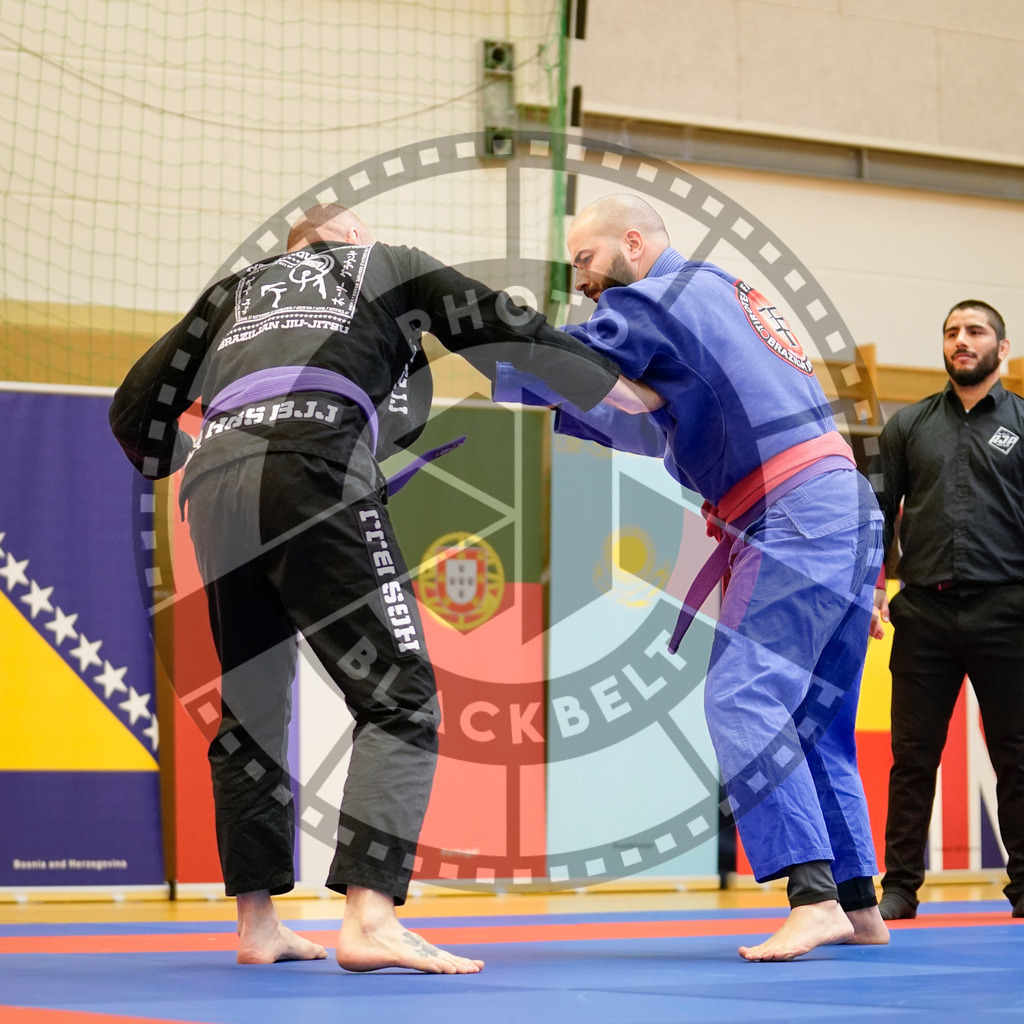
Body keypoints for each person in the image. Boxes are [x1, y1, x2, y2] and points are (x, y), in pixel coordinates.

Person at [109, 203, 662, 973]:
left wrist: (187, 454)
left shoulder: (233, 291)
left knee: (251, 708)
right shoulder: (390, 264)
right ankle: (369, 917)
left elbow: (134, 411)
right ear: (351, 236)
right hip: (315, 461)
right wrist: (619, 392)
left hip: (216, 485)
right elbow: (503, 325)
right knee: (400, 697)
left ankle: (256, 927)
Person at [495, 194, 889, 961]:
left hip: (792, 514)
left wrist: (501, 345)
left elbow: (589, 372)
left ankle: (811, 900)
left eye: (585, 259)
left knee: (744, 695)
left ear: (633, 243)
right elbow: (636, 411)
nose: (582, 280)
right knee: (814, 721)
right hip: (842, 510)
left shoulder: (653, 294)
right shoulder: (720, 296)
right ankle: (857, 901)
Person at [870, 299, 1024, 921]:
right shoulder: (905, 426)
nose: (962, 341)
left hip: (1008, 610)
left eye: (976, 332)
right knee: (912, 758)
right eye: (952, 332)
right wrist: (874, 587)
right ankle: (900, 886)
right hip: (924, 617)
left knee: (1016, 753)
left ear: (1001, 348)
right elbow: (878, 514)